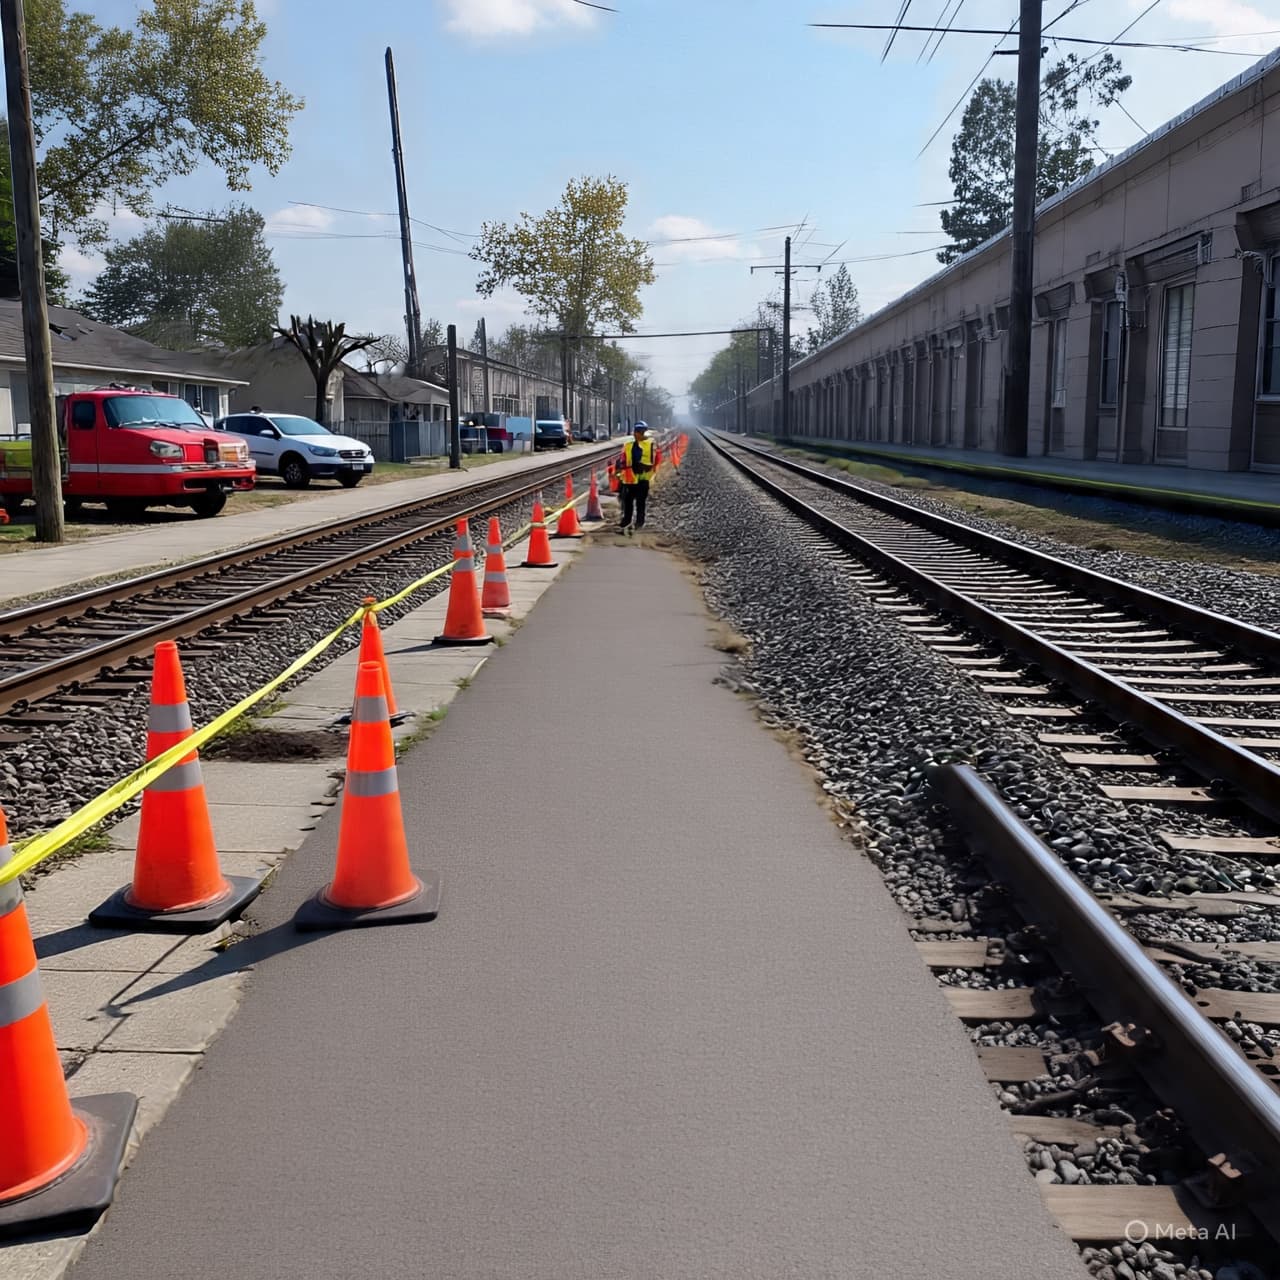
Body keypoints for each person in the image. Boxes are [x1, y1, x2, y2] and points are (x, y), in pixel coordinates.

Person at [617, 421, 657, 535]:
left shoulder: (650, 444)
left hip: (643, 479)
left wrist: (645, 467)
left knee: (640, 503)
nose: (637, 434)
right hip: (629, 479)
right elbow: (623, 459)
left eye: (639, 431)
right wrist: (619, 468)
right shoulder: (628, 445)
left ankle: (639, 524)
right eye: (636, 431)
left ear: (644, 432)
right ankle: (626, 521)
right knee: (628, 502)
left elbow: (654, 460)